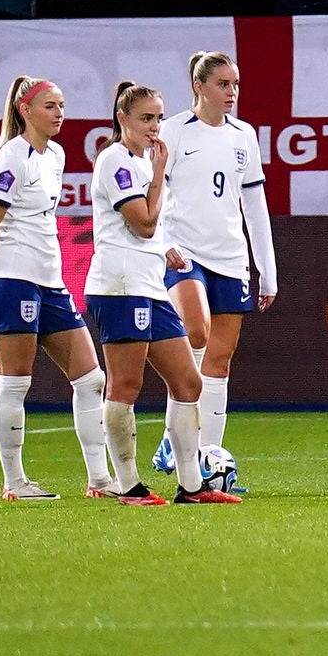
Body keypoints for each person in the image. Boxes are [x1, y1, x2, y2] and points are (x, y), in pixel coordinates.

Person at [0, 75, 114, 501]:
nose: (59, 114)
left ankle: (100, 480)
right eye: (50, 106)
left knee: (91, 379)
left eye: (62, 105)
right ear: (25, 110)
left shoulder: (55, 155)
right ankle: (15, 483)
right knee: (15, 383)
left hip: (50, 283)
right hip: (13, 280)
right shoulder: (11, 158)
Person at [80, 83, 206, 503]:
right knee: (125, 385)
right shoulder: (115, 161)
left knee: (188, 382)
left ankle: (191, 486)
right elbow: (144, 224)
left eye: (158, 118)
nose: (155, 127)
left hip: (148, 286)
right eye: (145, 118)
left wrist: (163, 248)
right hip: (119, 286)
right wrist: (157, 178)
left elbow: (153, 231)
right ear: (123, 119)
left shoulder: (139, 161)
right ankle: (129, 486)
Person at [160, 51, 275, 489]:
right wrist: (164, 243)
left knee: (220, 362)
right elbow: (153, 194)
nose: (232, 92)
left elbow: (254, 204)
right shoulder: (172, 131)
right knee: (197, 333)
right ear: (199, 86)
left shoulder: (244, 135)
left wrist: (267, 269)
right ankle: (177, 437)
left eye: (236, 84)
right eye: (223, 84)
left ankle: (206, 461)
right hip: (185, 254)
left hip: (230, 257)